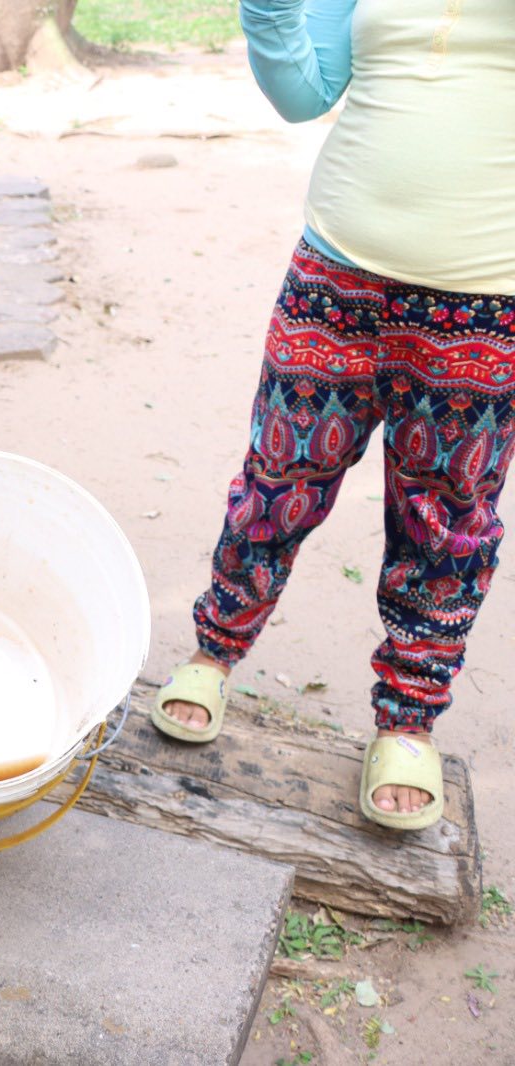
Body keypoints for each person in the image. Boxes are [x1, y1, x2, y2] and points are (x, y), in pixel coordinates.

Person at [151, 0, 514, 831]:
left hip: (488, 299)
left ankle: (408, 722)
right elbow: (303, 92)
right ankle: (213, 652)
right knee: (277, 480)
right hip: (335, 275)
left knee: (446, 522)